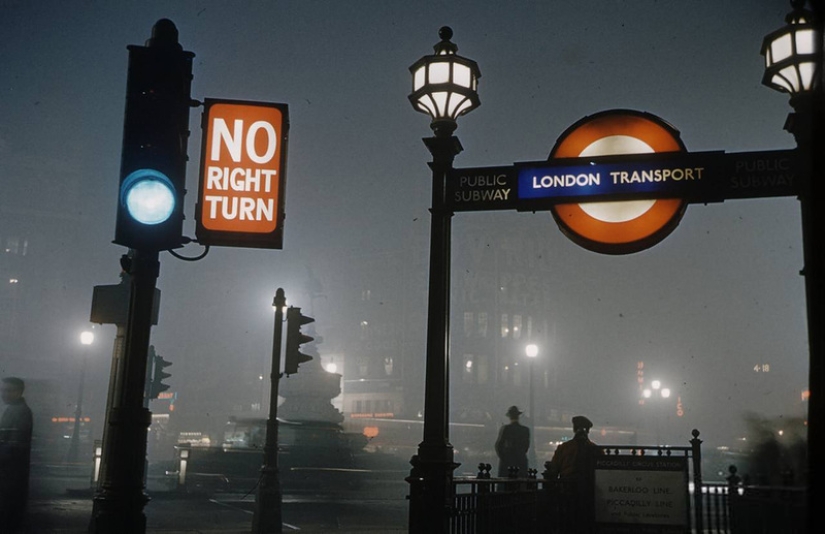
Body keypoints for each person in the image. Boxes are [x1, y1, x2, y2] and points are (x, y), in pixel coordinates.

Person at [547, 415, 600, 532]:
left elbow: (553, 470)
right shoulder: (595, 450)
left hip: (567, 490)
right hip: (588, 492)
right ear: (588, 431)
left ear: (574, 429)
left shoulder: (564, 448)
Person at [0, 377, 34, 532]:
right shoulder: (18, 410)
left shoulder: (18, 412)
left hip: (10, 474)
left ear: (19, 392)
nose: (4, 394)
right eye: (3, 390)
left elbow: (14, 445)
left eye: (8, 390)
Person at [494, 405, 530, 478]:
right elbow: (526, 446)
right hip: (521, 460)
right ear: (518, 416)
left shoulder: (506, 429)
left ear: (510, 416)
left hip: (507, 461)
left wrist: (504, 457)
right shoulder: (525, 430)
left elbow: (498, 445)